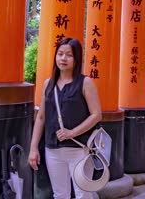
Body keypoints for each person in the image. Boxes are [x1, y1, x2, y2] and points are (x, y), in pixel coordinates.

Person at [28, 38, 102, 199]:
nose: (63, 58)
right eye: (60, 54)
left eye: (69, 55)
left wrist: (72, 132)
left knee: (84, 194)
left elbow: (96, 114)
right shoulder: (49, 84)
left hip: (80, 149)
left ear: (76, 59)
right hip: (52, 149)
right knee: (60, 194)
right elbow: (41, 117)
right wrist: (33, 148)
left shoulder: (85, 83)